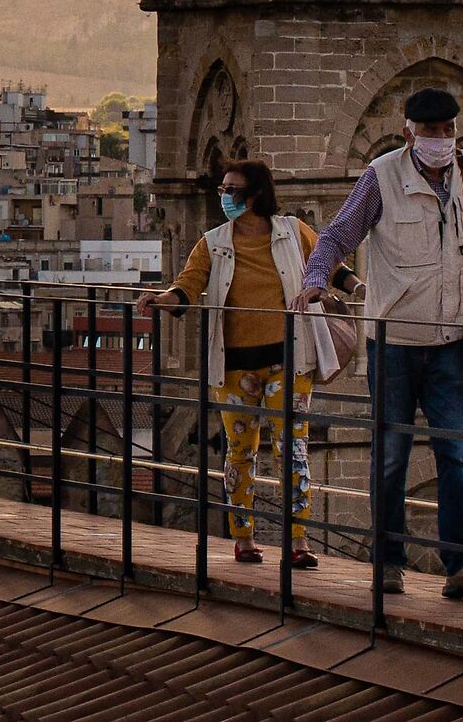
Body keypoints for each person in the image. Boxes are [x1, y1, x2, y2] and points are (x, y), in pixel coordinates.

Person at [293, 87, 463, 599]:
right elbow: (337, 236)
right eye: (431, 131)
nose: (441, 139)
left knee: (457, 453)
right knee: (391, 456)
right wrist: (315, 278)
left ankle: (461, 566)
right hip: (394, 342)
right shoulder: (381, 176)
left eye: (448, 130)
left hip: (453, 340)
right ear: (409, 133)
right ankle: (388, 563)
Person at [138, 159, 353, 568]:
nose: (224, 197)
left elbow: (329, 264)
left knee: (293, 451)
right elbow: (188, 287)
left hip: (289, 361)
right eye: (222, 190)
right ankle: (244, 540)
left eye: (232, 190)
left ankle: (298, 541)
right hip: (234, 366)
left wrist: (358, 286)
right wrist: (160, 299)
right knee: (240, 453)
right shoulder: (213, 242)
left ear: (255, 194)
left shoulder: (292, 232)